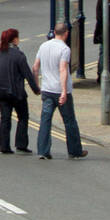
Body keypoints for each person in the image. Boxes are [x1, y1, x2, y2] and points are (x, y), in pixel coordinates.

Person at [33, 21, 88, 159]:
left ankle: (43, 151)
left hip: (46, 90)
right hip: (61, 91)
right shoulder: (64, 49)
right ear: (66, 33)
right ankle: (75, 151)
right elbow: (63, 69)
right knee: (69, 121)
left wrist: (37, 85)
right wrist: (64, 91)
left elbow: (35, 67)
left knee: (45, 120)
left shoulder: (43, 46)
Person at [0, 28, 40, 154]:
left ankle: (4, 146)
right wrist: (36, 90)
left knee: (5, 118)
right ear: (15, 39)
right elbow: (27, 74)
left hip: (0, 90)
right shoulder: (19, 55)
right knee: (23, 117)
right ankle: (21, 144)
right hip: (16, 92)